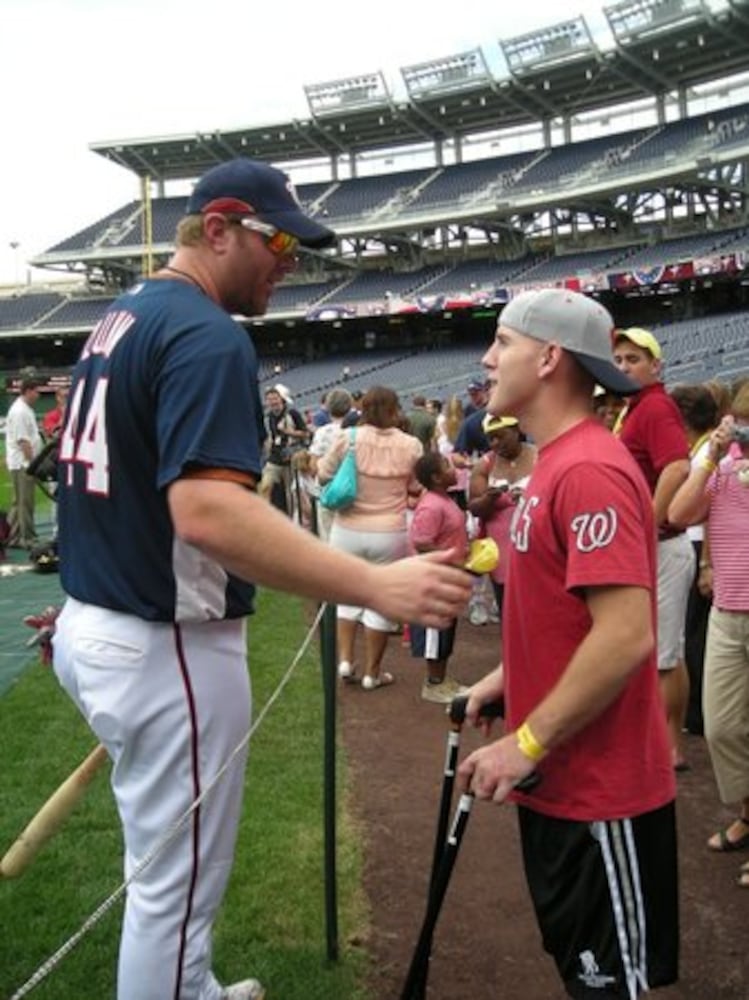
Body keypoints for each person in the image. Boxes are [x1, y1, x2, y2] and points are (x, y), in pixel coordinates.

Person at [51, 158, 472, 1000]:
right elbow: (207, 514)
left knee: (168, 871)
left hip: (104, 618)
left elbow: (111, 481)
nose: (292, 260)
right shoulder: (207, 332)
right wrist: (374, 588)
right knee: (171, 896)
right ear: (217, 230)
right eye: (277, 239)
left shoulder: (125, 314)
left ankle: (195, 988)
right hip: (163, 642)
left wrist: (92, 593)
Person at [457, 288, 678, 1000]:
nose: (488, 358)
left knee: (610, 988)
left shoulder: (586, 469)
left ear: (549, 357)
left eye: (502, 341)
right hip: (561, 780)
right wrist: (503, 677)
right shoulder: (555, 462)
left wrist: (523, 744)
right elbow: (564, 618)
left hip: (598, 790)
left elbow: (623, 635)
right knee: (581, 971)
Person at [668, 382, 749, 883]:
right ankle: (746, 812)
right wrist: (710, 455)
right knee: (721, 727)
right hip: (728, 611)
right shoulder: (722, 469)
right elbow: (678, 514)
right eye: (741, 422)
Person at [613, 328, 693, 772]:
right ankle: (664, 742)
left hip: (662, 546)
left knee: (664, 656)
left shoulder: (656, 405)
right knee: (659, 652)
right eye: (619, 360)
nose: (624, 366)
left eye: (634, 359)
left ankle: (669, 747)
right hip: (656, 546)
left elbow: (677, 466)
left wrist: (649, 522)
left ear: (656, 366)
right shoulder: (636, 407)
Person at [317, 385, 423, 690]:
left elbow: (324, 474)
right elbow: (415, 487)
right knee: (380, 600)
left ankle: (346, 661)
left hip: (347, 528)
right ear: (394, 410)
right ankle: (372, 673)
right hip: (389, 530)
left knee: (349, 596)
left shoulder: (347, 437)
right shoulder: (411, 445)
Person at [669, 382, 720, 736]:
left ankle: (697, 713)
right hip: (698, 545)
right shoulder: (702, 449)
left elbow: (700, 512)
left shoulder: (705, 454)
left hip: (698, 545)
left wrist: (705, 563)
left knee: (694, 637)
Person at [408, 451, 469, 703]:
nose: (453, 468)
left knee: (446, 629)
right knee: (435, 630)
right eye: (446, 465)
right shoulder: (432, 505)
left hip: (448, 575)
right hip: (436, 578)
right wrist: (451, 559)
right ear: (435, 477)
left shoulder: (444, 499)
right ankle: (434, 683)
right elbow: (421, 542)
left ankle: (441, 678)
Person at [467, 414, 536, 626]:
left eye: (500, 437)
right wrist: (489, 498)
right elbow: (474, 508)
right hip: (502, 552)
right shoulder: (485, 464)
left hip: (535, 547)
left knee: (537, 609)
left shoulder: (540, 456)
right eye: (491, 439)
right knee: (508, 611)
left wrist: (528, 496)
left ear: (517, 431)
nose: (495, 443)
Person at [307, 387, 353, 541]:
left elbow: (313, 465)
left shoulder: (323, 432)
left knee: (328, 537)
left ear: (327, 407)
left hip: (328, 491)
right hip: (353, 489)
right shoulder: (357, 430)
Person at [5, 375, 42, 550]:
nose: (39, 395)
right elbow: (23, 442)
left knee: (18, 501)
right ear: (28, 391)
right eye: (36, 391)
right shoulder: (20, 411)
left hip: (20, 462)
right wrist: (32, 465)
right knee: (26, 502)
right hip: (23, 463)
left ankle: (9, 536)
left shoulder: (24, 408)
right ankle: (28, 538)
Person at [257, 385, 308, 513]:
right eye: (269, 399)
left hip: (291, 455)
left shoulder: (292, 413)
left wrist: (288, 431)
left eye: (275, 398)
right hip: (275, 456)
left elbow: (305, 433)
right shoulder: (269, 417)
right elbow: (270, 437)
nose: (273, 402)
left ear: (281, 399)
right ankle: (265, 515)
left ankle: (292, 519)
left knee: (291, 493)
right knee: (264, 485)